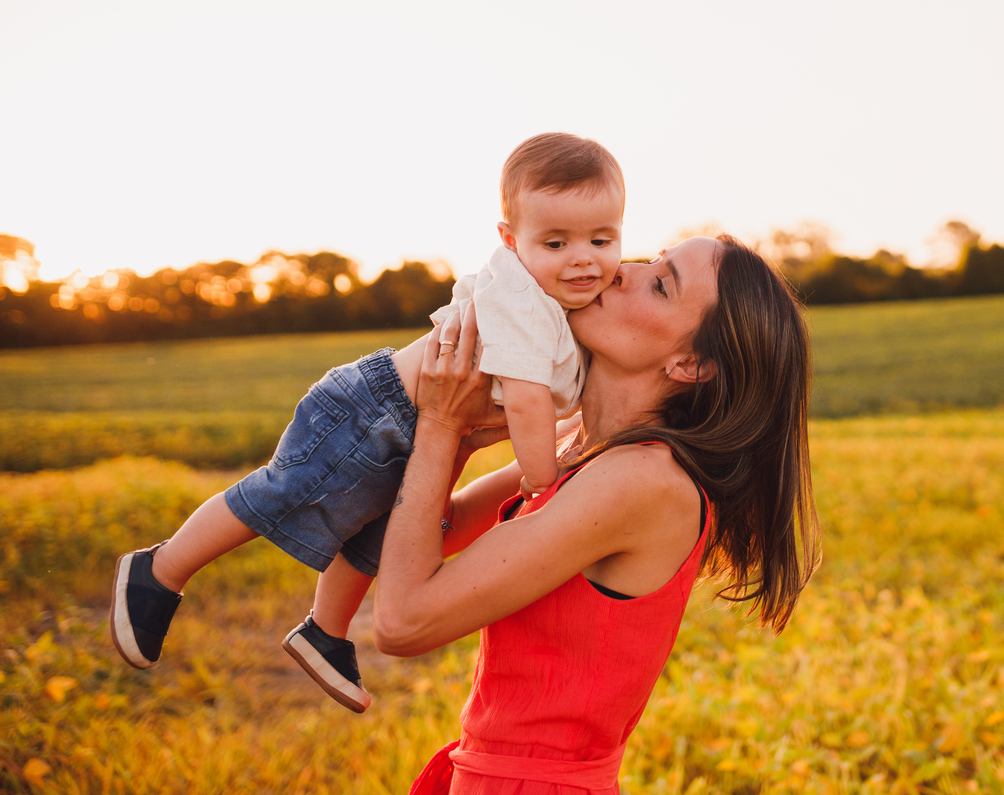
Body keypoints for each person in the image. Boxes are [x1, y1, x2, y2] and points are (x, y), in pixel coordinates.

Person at [108, 133, 625, 713]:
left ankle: (324, 631)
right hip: (375, 407)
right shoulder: (524, 298)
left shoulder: (570, 302)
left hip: (429, 426)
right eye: (556, 241)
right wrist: (543, 482)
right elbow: (529, 401)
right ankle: (161, 569)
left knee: (375, 535)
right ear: (511, 241)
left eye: (602, 239)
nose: (584, 257)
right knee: (284, 490)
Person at [370, 235, 821, 795]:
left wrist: (437, 424)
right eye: (649, 258)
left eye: (660, 284)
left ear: (690, 363)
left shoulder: (644, 480)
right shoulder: (579, 447)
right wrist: (458, 438)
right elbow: (443, 528)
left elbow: (403, 621)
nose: (618, 271)